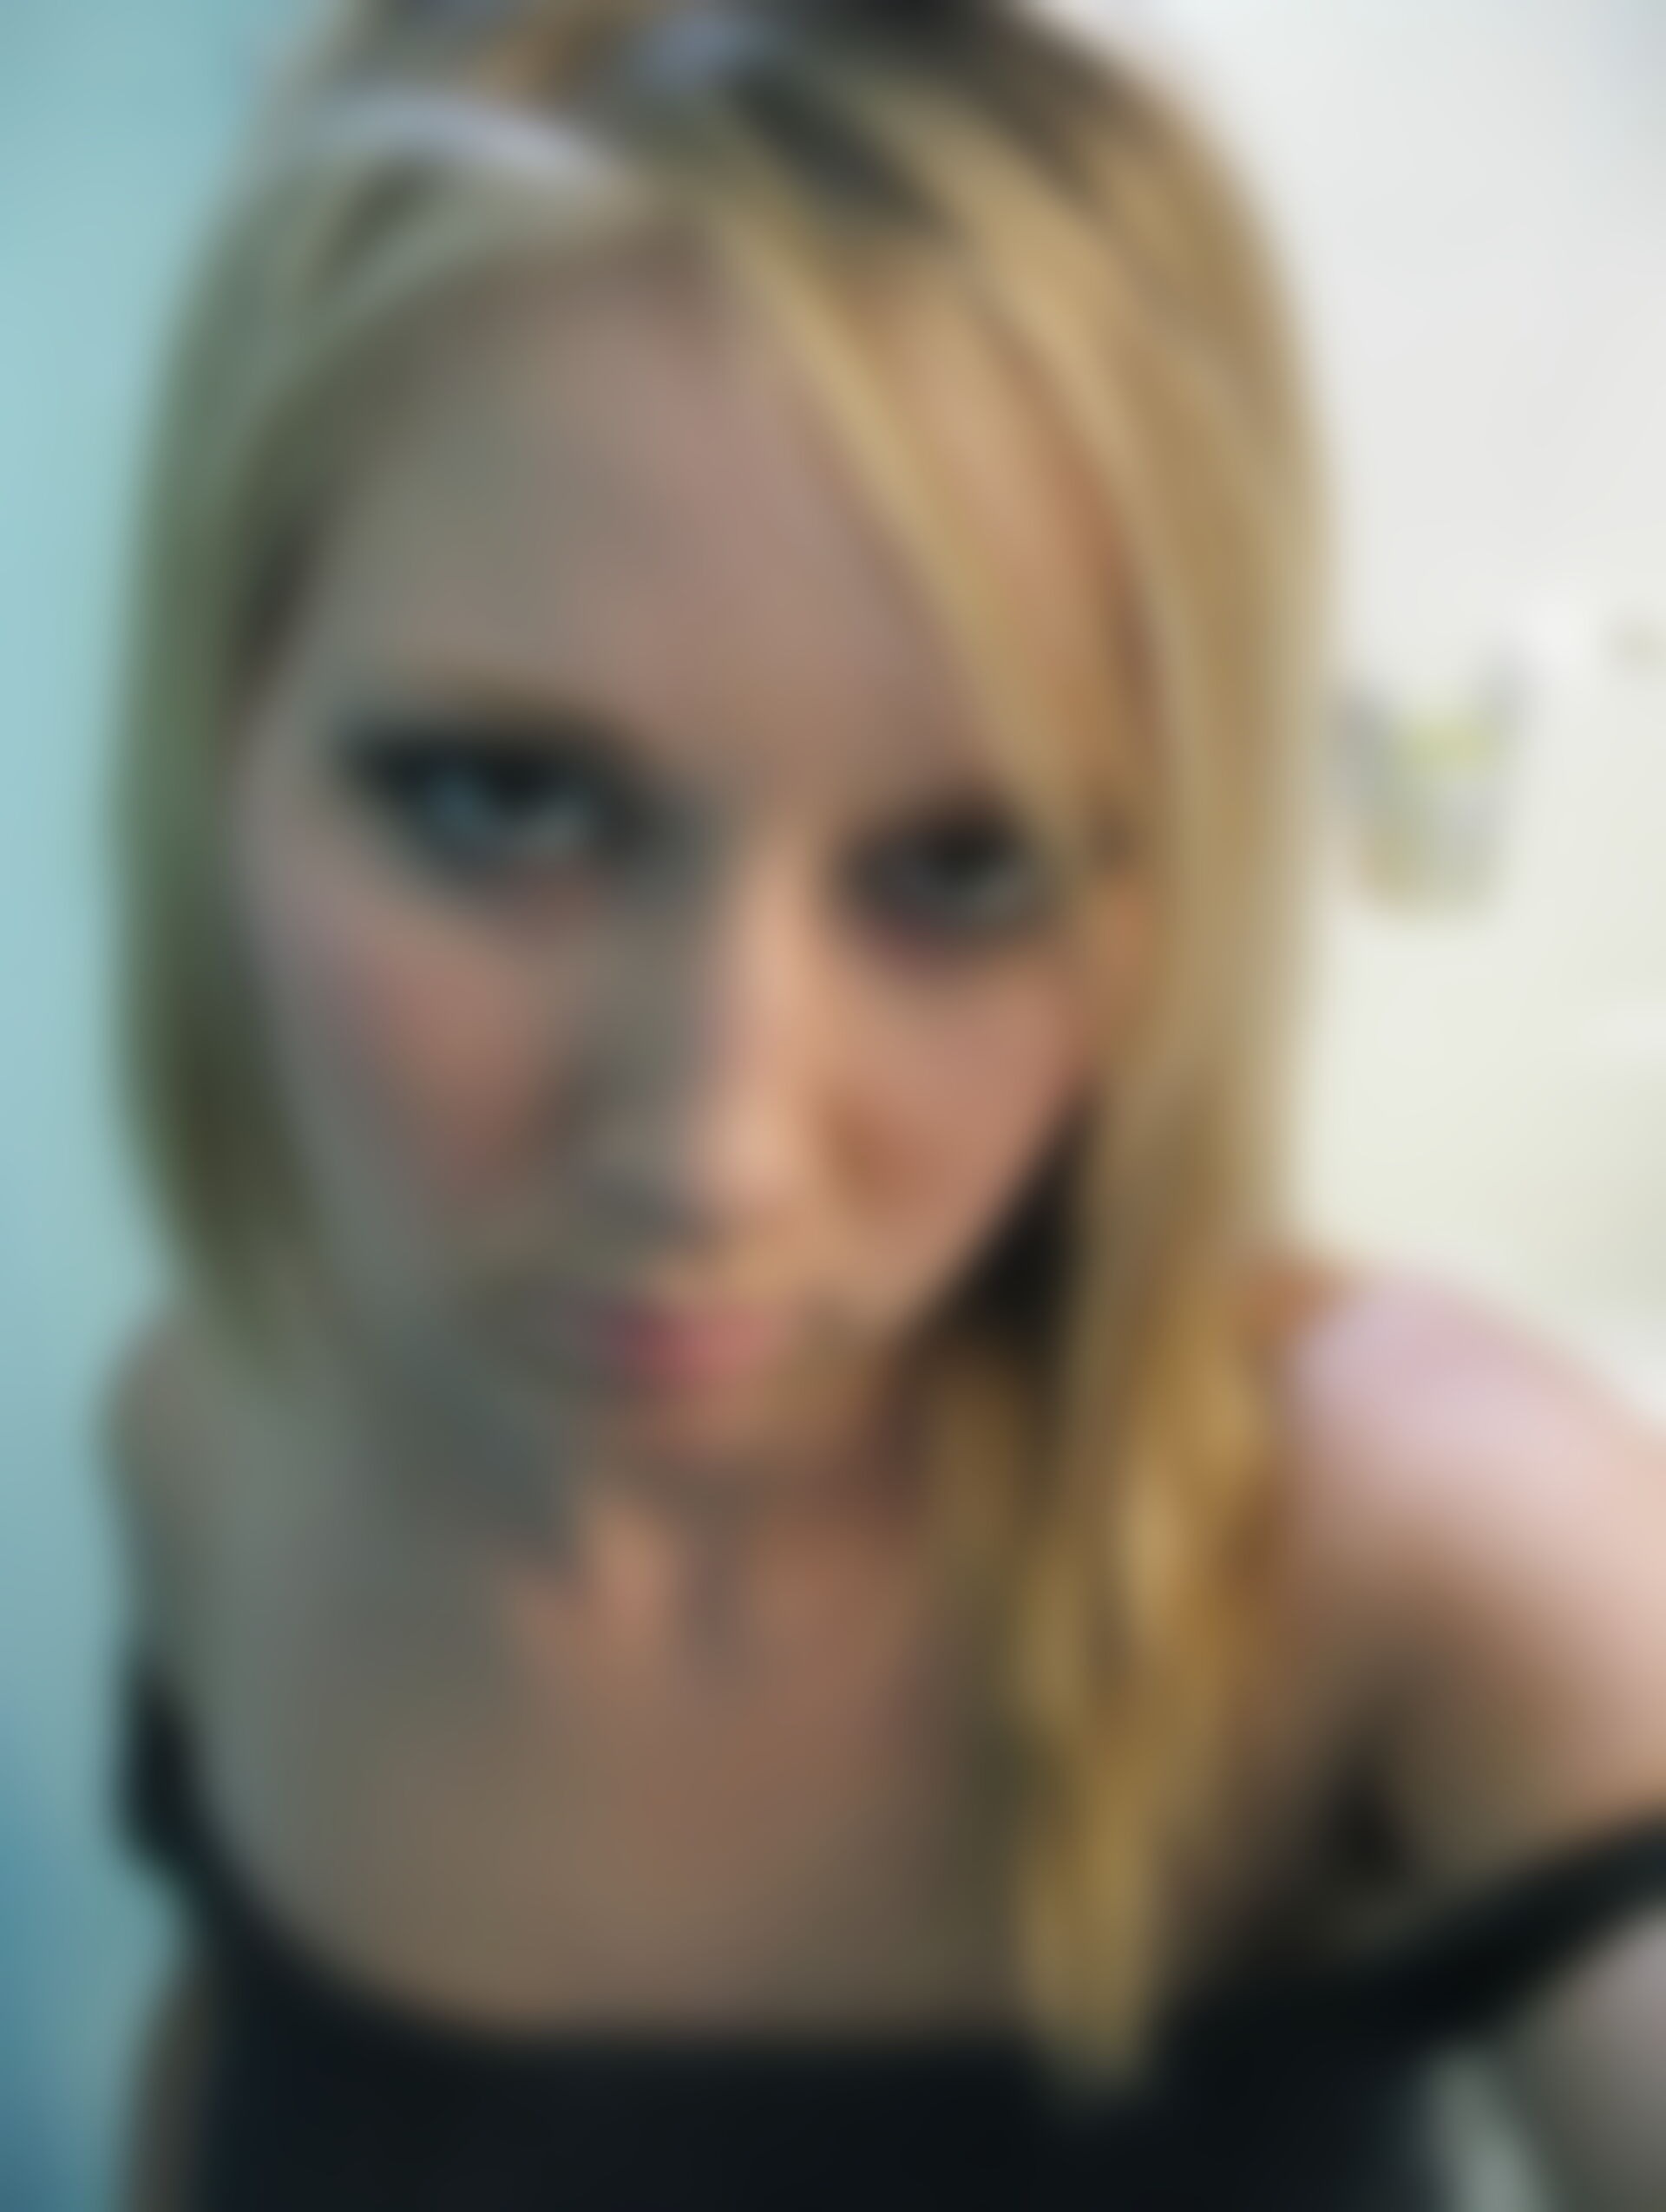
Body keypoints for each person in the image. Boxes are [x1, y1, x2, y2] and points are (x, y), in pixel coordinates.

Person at [101, 1, 1666, 2205]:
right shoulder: (206, 1441)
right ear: (221, 749)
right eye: (501, 799)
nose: (712, 1154)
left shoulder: (1438, 1560)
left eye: (966, 869)